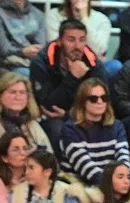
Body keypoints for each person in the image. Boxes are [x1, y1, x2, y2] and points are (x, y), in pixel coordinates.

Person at [30, 19, 109, 147]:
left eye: (82, 40)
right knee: (57, 127)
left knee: (112, 124)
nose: (77, 46)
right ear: (59, 41)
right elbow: (48, 105)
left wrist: (69, 114)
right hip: (53, 117)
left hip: (82, 113)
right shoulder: (41, 62)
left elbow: (101, 102)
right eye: (71, 40)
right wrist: (73, 77)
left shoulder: (93, 63)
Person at [0, 71, 49, 170]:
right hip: (2, 178)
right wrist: (21, 158)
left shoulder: (31, 123)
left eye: (22, 93)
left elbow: (49, 154)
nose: (18, 97)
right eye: (12, 92)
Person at [58, 77, 129, 186]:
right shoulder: (70, 129)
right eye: (93, 99)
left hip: (112, 184)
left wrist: (125, 178)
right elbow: (85, 166)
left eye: (104, 98)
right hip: (78, 184)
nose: (100, 102)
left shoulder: (117, 126)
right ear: (82, 102)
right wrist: (110, 185)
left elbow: (124, 157)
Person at [45, 0, 114, 74]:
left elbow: (99, 51)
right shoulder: (53, 15)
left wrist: (84, 17)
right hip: (60, 64)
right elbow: (55, 46)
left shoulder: (102, 20)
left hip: (92, 64)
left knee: (113, 66)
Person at [0, 0, 44, 72]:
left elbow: (41, 44)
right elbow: (3, 49)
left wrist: (34, 51)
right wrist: (22, 52)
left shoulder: (37, 13)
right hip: (8, 64)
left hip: (34, 60)